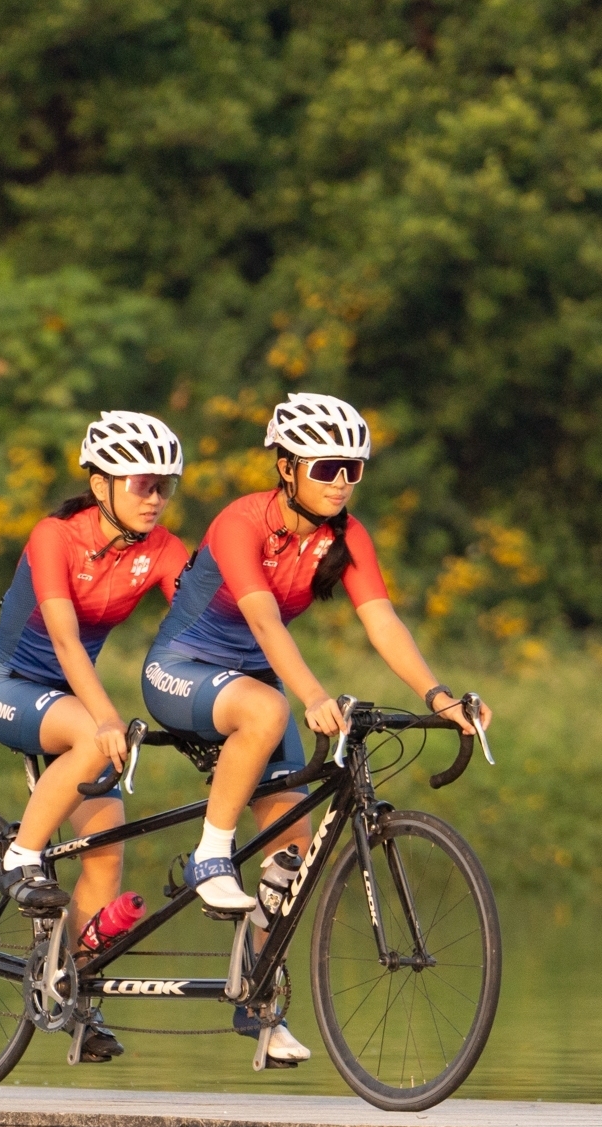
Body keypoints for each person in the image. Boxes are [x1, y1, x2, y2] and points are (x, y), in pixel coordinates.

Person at [134, 391, 484, 1070]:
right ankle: (210, 853)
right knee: (269, 710)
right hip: (181, 670)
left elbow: (383, 621)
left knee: (292, 853)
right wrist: (314, 694)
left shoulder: (347, 538)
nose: (343, 482)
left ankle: (259, 1008)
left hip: (256, 684)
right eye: (328, 468)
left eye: (354, 468)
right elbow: (264, 623)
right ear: (286, 466)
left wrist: (438, 695)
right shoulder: (242, 522)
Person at [0, 409, 195, 1065]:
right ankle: (20, 859)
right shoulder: (53, 536)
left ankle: (69, 992)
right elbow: (65, 639)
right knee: (96, 745)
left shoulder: (162, 551)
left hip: (68, 698)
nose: (155, 497)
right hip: (3, 682)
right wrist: (104, 717)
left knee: (105, 843)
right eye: (142, 482)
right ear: (101, 484)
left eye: (164, 486)